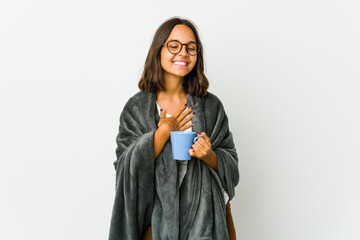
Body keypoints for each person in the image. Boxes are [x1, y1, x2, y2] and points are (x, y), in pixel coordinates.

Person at [108, 16, 239, 240]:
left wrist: (209, 155)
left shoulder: (210, 106)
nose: (183, 53)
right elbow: (125, 169)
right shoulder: (136, 108)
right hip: (153, 225)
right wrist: (162, 132)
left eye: (191, 47)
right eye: (174, 45)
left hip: (204, 223)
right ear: (158, 50)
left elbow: (232, 168)